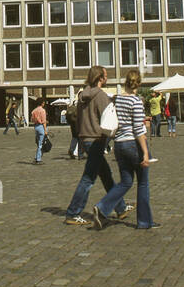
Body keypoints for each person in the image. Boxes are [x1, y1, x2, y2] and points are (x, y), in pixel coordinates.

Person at [90, 68, 155, 230]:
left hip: (119, 145)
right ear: (138, 84)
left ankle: (103, 206)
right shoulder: (136, 101)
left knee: (125, 181)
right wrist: (145, 153)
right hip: (133, 144)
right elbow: (138, 130)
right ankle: (145, 221)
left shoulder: (117, 100)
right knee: (142, 183)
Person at [63, 66, 127, 225]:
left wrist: (81, 137)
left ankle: (120, 208)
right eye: (105, 76)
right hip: (97, 139)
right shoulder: (101, 96)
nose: (107, 78)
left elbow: (77, 121)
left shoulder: (82, 96)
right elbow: (109, 121)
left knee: (105, 174)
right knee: (88, 178)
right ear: (100, 78)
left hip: (85, 138)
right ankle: (73, 212)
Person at [31, 97, 48, 165]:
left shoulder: (34, 111)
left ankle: (36, 157)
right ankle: (38, 159)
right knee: (41, 144)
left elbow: (32, 120)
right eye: (43, 102)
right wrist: (45, 130)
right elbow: (44, 121)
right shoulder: (42, 110)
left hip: (36, 126)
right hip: (41, 127)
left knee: (38, 143)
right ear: (42, 103)